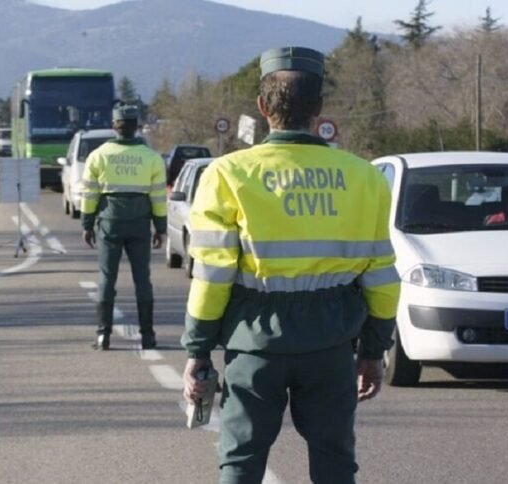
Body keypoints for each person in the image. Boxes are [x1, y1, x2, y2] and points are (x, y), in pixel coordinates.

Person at [181, 47, 401, 484]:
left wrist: (198, 350)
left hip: (255, 345)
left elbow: (212, 275)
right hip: (332, 346)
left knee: (241, 462)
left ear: (263, 108)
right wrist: (374, 352)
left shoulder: (226, 174)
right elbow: (381, 275)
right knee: (335, 460)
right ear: (319, 109)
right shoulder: (365, 177)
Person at [81, 104, 167, 351]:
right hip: (140, 223)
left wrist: (87, 225)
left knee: (107, 278)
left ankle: (102, 335)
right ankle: (148, 336)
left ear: (114, 126)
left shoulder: (99, 156)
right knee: (143, 280)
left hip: (109, 222)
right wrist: (160, 228)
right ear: (136, 127)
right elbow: (159, 197)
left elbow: (89, 194)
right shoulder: (152, 158)